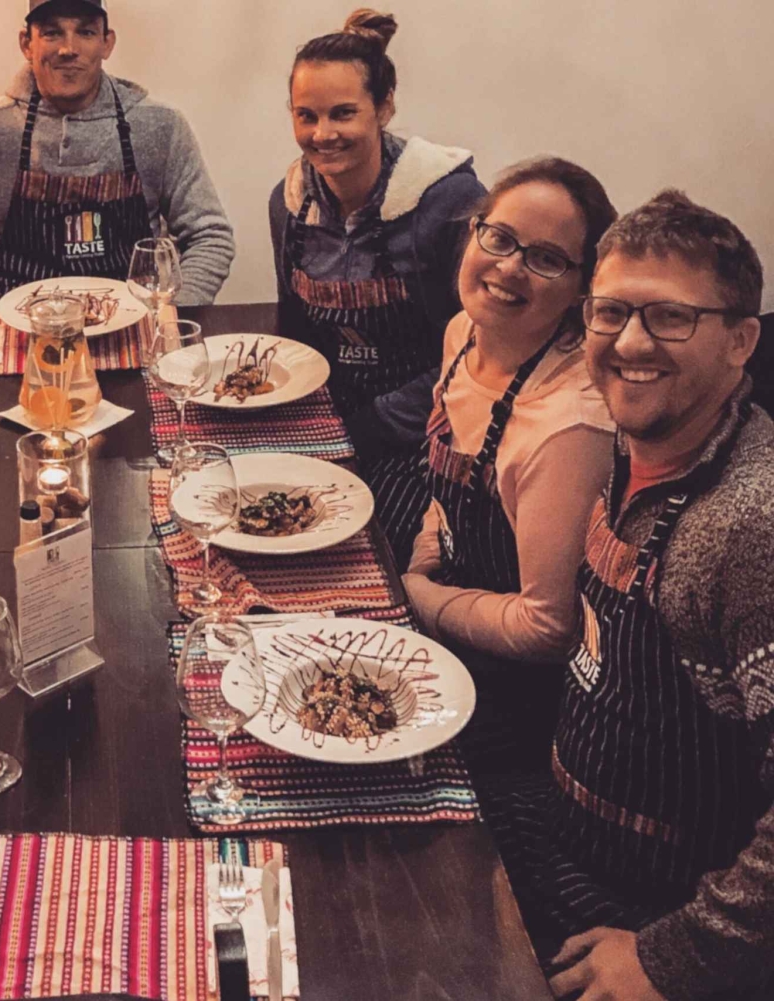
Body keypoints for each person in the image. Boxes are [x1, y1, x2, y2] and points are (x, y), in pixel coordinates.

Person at [486, 192, 774, 1000]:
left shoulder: (749, 527)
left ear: (741, 340)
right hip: (563, 833)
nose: (633, 342)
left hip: (649, 914)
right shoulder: (630, 443)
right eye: (611, 313)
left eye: (671, 318)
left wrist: (672, 955)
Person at [402, 158, 617, 776]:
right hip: (451, 611)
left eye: (546, 258)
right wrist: (419, 563)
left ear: (582, 286)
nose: (508, 267)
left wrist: (420, 598)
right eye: (498, 237)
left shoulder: (568, 425)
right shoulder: (462, 333)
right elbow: (442, 497)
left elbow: (548, 629)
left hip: (521, 697)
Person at [269, 8, 485, 569]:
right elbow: (293, 332)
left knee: (369, 554)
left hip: (428, 430)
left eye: (344, 113)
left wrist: (364, 429)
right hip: (329, 417)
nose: (323, 134)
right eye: (306, 116)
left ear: (384, 107)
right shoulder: (289, 203)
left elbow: (479, 353)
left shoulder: (449, 204)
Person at [0, 0, 235, 303]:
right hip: (14, 343)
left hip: (139, 336)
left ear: (107, 43)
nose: (68, 49)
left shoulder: (160, 127)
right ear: (27, 44)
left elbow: (210, 236)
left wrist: (174, 315)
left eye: (85, 32)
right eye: (52, 32)